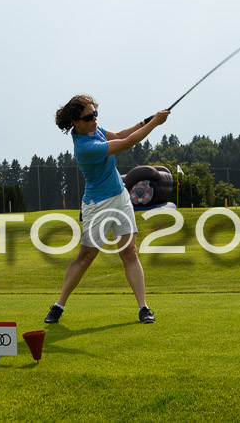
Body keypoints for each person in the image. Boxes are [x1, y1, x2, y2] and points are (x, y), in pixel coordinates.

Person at [44, 94, 170, 324]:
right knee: (85, 258)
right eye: (89, 116)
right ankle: (58, 305)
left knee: (129, 252)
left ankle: (143, 307)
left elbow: (121, 134)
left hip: (120, 197)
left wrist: (146, 121)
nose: (94, 119)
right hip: (97, 205)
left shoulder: (93, 130)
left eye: (95, 114)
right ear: (76, 121)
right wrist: (155, 123)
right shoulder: (85, 147)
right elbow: (127, 143)